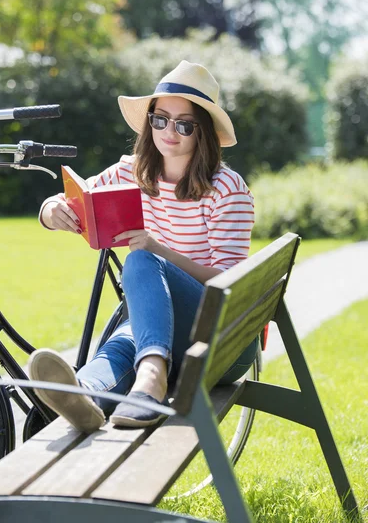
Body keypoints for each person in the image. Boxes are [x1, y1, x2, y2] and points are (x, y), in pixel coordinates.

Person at [28, 60, 256, 432]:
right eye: (160, 119)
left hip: (222, 339)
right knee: (123, 342)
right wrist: (51, 210)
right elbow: (73, 197)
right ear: (149, 121)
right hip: (160, 330)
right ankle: (83, 395)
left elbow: (230, 283)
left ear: (205, 134)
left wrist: (159, 251)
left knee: (142, 263)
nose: (169, 132)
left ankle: (151, 380)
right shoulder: (132, 173)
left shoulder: (226, 189)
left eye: (184, 124)